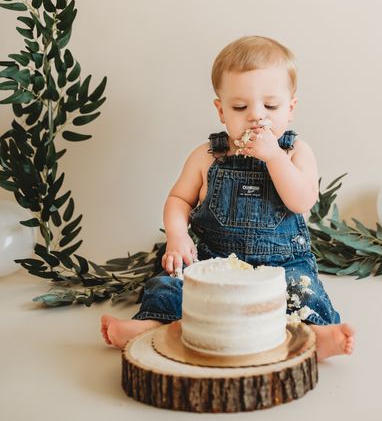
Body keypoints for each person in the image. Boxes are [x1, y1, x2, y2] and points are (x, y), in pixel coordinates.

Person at [101, 35, 355, 360]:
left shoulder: (294, 153)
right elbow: (179, 199)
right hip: (212, 260)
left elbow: (301, 201)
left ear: (290, 109)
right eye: (240, 106)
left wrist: (274, 158)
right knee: (169, 284)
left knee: (302, 288)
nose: (256, 115)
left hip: (282, 262)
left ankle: (315, 334)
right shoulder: (207, 156)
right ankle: (152, 326)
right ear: (221, 111)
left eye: (271, 105)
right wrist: (177, 236)